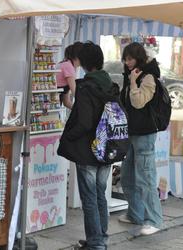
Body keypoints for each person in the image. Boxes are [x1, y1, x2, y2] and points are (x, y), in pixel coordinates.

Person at [58, 41, 115, 250]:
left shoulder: (85, 87)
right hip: (107, 149)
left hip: (88, 150)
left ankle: (96, 243)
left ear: (83, 62)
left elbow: (83, 122)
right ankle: (101, 238)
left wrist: (69, 136)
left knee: (89, 197)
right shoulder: (110, 84)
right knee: (100, 194)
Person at [119, 42, 163, 235]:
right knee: (128, 177)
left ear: (139, 58)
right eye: (125, 59)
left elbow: (138, 103)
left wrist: (134, 82)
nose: (127, 62)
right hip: (132, 132)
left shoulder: (148, 78)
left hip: (145, 134)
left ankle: (153, 219)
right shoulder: (132, 75)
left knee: (145, 178)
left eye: (130, 58)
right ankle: (135, 214)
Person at [56, 42, 83, 109]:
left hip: (54, 105)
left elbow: (66, 102)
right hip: (50, 103)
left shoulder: (68, 65)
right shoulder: (68, 67)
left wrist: (77, 111)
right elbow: (75, 93)